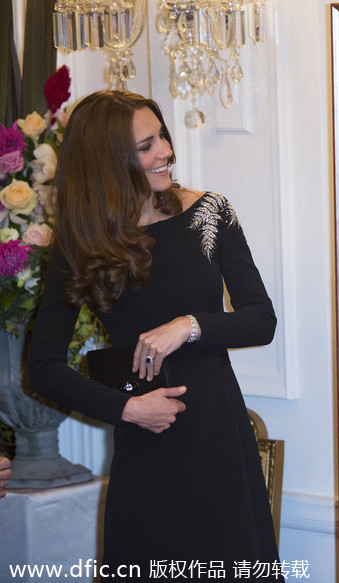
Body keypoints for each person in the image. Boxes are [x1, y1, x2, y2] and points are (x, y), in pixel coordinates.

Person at [28, 91, 282, 579]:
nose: (165, 150)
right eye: (146, 145)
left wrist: (187, 326)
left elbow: (260, 320)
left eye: (162, 135)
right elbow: (44, 368)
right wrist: (127, 410)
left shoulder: (210, 213)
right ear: (110, 160)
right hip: (146, 443)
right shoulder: (81, 244)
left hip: (216, 436)